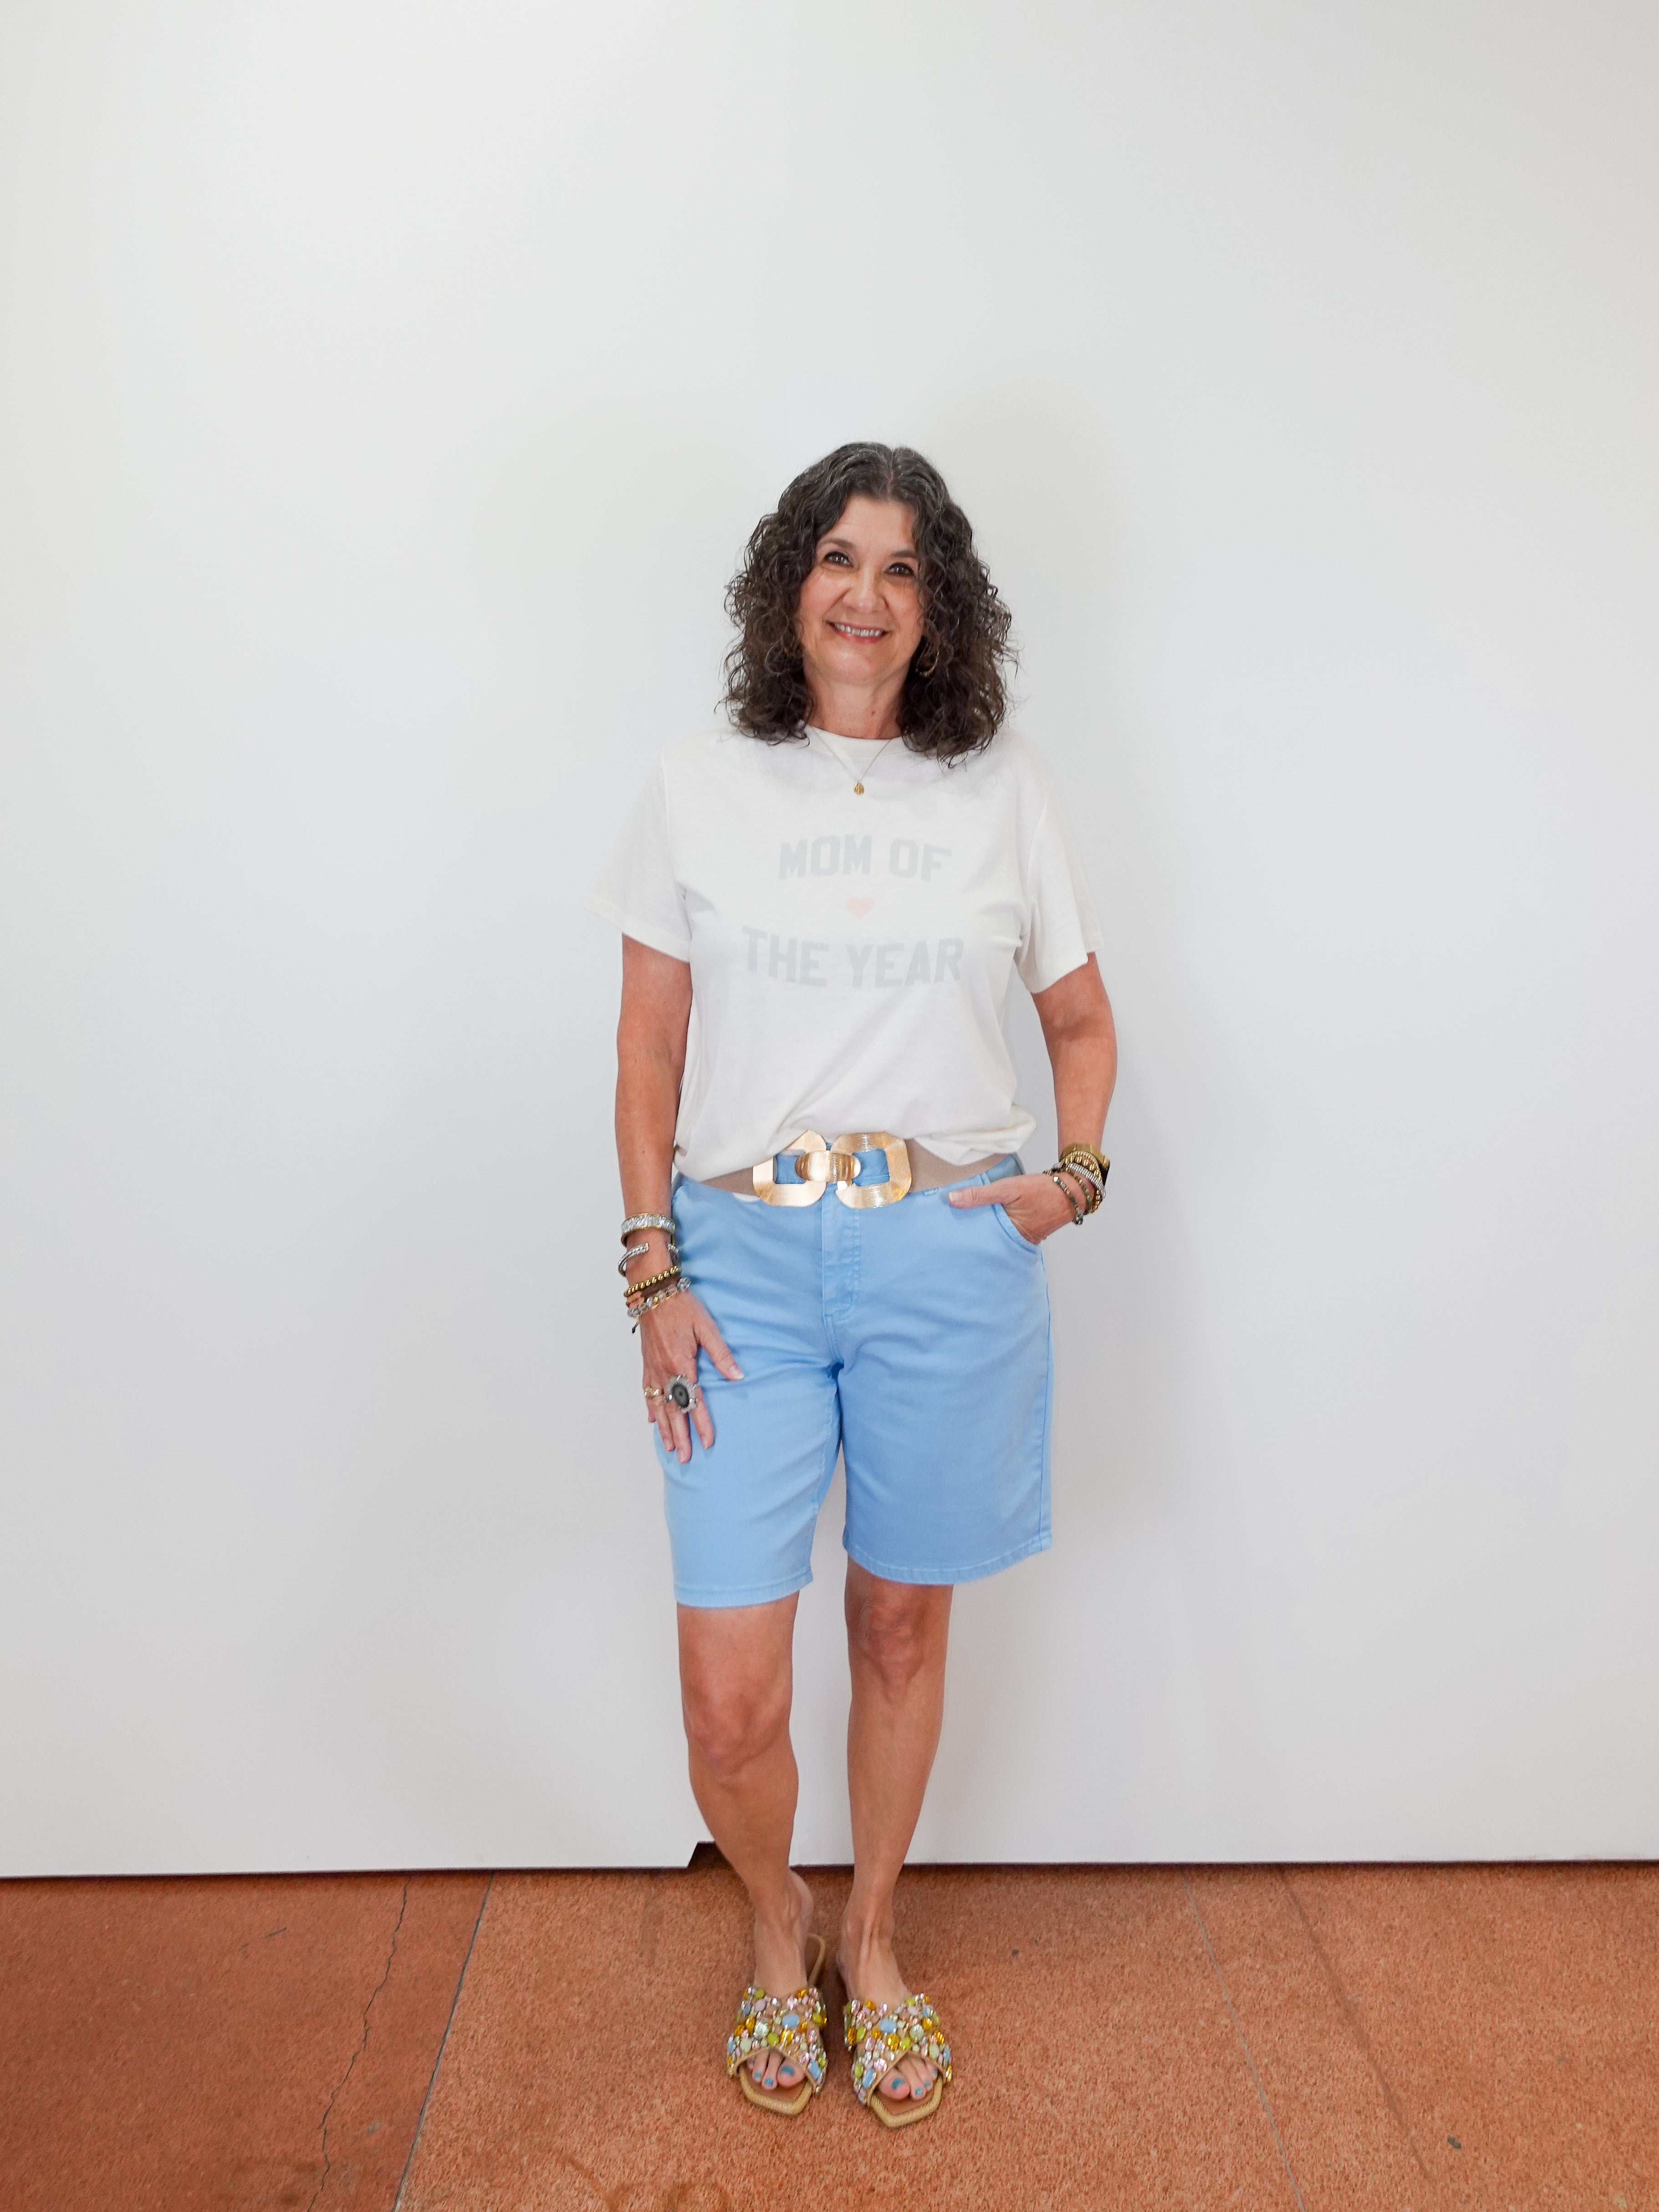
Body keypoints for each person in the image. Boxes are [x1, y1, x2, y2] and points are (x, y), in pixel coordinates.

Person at [588, 442, 1116, 2127]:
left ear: (936, 603)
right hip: (734, 1257)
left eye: (901, 566)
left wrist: (1068, 1181)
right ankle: (774, 1925)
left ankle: (871, 1940)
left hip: (944, 1253)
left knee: (896, 1619)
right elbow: (648, 1048)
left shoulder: (1003, 789)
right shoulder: (698, 781)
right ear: (786, 584)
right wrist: (649, 1262)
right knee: (727, 1686)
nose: (865, 594)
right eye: (836, 555)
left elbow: (1083, 1023)